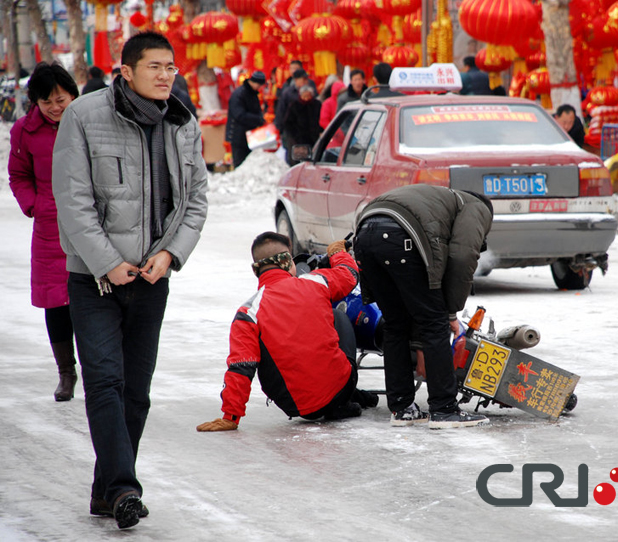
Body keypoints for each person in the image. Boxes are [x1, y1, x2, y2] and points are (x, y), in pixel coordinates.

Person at [52, 31, 208, 530]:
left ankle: (106, 491)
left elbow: (195, 202)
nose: (166, 75)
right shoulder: (85, 116)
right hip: (94, 280)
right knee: (104, 383)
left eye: (171, 67)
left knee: (136, 392)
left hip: (151, 276)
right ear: (127, 71)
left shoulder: (182, 123)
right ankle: (124, 489)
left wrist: (169, 255)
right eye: (155, 67)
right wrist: (106, 262)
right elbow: (72, 200)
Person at [196, 232, 379, 432]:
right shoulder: (315, 282)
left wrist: (231, 416)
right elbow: (349, 274)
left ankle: (346, 397)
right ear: (285, 262)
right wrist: (337, 253)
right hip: (339, 389)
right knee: (337, 316)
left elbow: (241, 368)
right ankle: (345, 397)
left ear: (256, 269)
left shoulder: (248, 313)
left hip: (298, 406)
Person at [353, 185, 494, 429]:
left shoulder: (440, 199)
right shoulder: (477, 207)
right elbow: (462, 258)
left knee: (396, 325)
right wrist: (450, 312)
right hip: (401, 236)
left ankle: (401, 407)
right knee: (434, 323)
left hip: (365, 234)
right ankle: (444, 410)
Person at [8, 62, 80, 401]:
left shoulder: (87, 123)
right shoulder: (24, 131)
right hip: (50, 225)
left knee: (94, 298)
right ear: (35, 102)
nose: (54, 108)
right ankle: (66, 372)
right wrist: (34, 205)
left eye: (60, 100)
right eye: (46, 102)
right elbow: (19, 175)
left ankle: (101, 370)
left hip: (90, 221)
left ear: (72, 95)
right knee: (56, 301)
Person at [225, 70, 267, 168]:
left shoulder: (253, 93)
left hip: (250, 136)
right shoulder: (239, 94)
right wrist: (258, 119)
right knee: (240, 164)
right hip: (238, 136)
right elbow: (239, 115)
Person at [282, 85, 322, 166]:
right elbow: (288, 123)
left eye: (308, 96)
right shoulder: (294, 105)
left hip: (314, 138)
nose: (306, 98)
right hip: (299, 140)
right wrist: (296, 136)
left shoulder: (317, 104)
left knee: (315, 161)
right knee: (300, 163)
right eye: (304, 96)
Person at [274, 68, 310, 148]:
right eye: (303, 79)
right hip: (291, 131)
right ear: (296, 80)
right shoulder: (288, 93)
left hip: (305, 131)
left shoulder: (309, 91)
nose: (305, 81)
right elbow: (281, 111)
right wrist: (280, 129)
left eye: (306, 79)